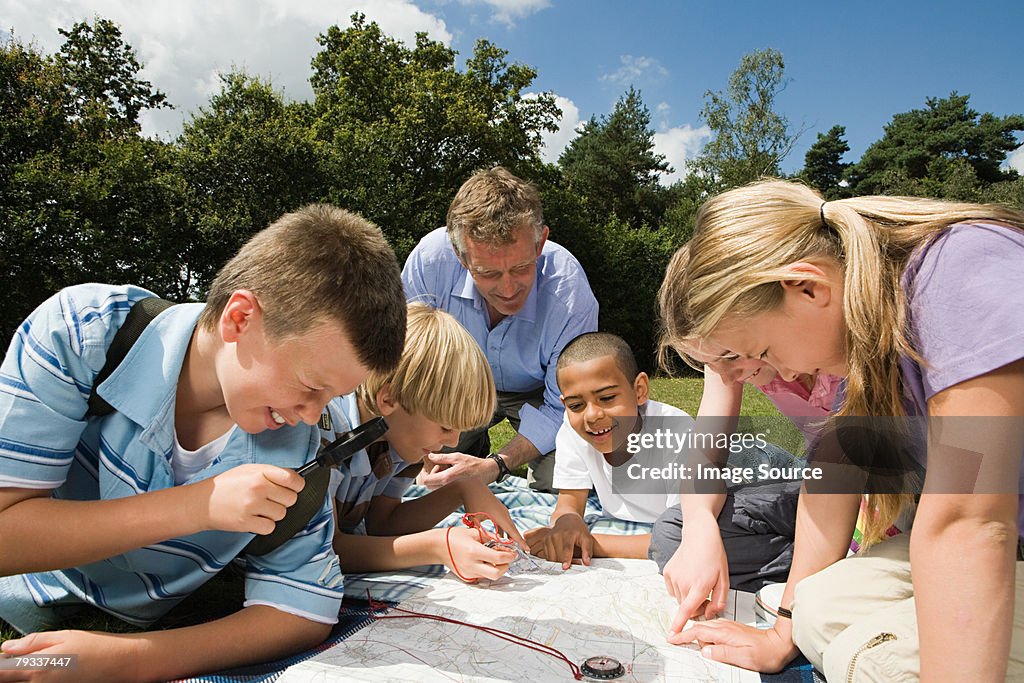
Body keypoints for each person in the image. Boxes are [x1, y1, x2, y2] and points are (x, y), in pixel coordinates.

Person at [0, 205, 408, 681]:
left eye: (332, 398)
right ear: (239, 318)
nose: (313, 415)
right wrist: (198, 506)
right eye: (309, 385)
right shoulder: (84, 332)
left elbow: (303, 611)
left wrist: (127, 659)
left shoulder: (301, 449)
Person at [659, 178, 1024, 681]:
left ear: (809, 287)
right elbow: (830, 480)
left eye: (762, 353)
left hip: (1001, 534)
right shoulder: (863, 331)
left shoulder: (961, 269)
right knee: (818, 609)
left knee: (872, 659)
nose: (783, 376)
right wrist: (782, 636)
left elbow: (969, 521)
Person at [651, 244, 842, 631]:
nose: (730, 372)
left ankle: (831, 573)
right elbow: (706, 451)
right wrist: (701, 525)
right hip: (825, 487)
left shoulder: (835, 352)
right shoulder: (735, 354)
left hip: (872, 494)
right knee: (675, 533)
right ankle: (831, 572)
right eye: (712, 363)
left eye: (732, 355)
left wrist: (785, 627)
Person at [526, 332, 800, 584]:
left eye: (607, 398)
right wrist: (567, 524)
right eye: (576, 405)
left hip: (755, 469)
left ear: (640, 390)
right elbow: (569, 501)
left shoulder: (674, 432)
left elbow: (683, 534)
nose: (592, 415)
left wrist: (589, 543)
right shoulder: (573, 429)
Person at [402, 166, 598, 493]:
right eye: (488, 273)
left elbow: (565, 403)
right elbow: (406, 365)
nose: (508, 289)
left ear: (540, 245)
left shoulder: (570, 291)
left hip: (539, 393)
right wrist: (424, 453)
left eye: (521, 268)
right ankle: (468, 445)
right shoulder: (430, 259)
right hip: (455, 382)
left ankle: (480, 456)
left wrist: (498, 464)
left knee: (565, 481)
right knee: (427, 482)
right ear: (460, 256)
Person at [323, 303, 528, 582]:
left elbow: (382, 525)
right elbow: (327, 550)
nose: (454, 441)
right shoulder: (327, 432)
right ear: (389, 399)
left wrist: (462, 489)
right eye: (445, 426)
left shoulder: (400, 435)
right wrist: (436, 546)